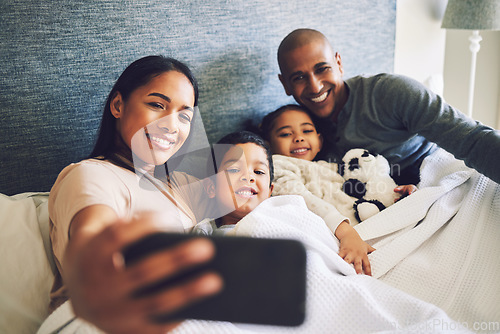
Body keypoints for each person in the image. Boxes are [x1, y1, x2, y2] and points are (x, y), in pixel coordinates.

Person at [48, 55, 223, 334]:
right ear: (118, 105)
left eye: (184, 115)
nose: (172, 125)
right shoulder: (93, 174)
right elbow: (91, 238)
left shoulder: (177, 186)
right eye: (157, 105)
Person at [276, 28, 500, 186]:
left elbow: (472, 139)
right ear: (285, 84)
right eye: (298, 78)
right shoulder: (300, 128)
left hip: (438, 179)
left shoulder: (391, 92)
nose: (315, 87)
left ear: (339, 63)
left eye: (322, 68)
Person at [192, 131, 275, 236]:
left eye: (259, 172)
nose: (248, 177)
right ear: (211, 188)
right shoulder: (205, 231)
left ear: (269, 191)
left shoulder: (281, 219)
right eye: (234, 170)